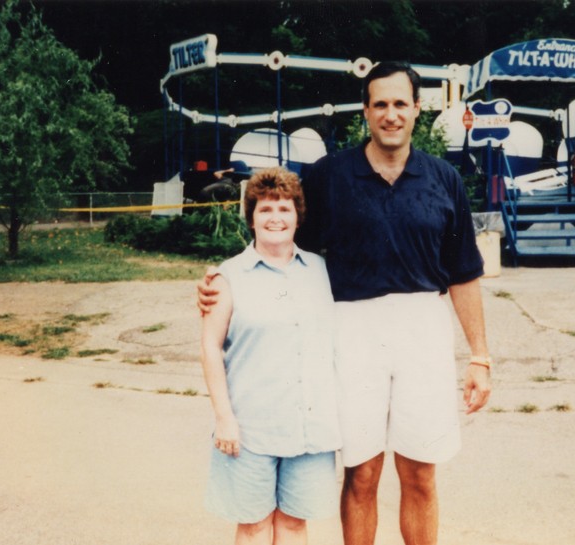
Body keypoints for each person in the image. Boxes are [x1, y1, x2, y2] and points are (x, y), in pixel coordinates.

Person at [199, 61, 492, 545]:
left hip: (423, 328)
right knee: (362, 473)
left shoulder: (444, 179)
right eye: (380, 104)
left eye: (401, 103)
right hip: (352, 329)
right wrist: (222, 282)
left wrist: (479, 355)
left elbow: (464, 272)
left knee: (420, 473)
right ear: (366, 111)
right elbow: (282, 246)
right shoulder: (328, 176)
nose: (391, 114)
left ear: (418, 108)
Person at [199, 167, 341, 545]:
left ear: (298, 216)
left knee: (295, 525)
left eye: (284, 208)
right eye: (264, 209)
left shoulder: (324, 272)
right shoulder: (227, 278)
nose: (275, 217)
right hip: (250, 430)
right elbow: (210, 347)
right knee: (254, 526)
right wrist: (224, 418)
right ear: (251, 218)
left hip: (310, 430)